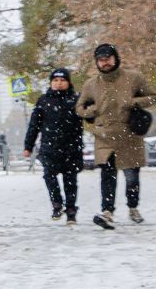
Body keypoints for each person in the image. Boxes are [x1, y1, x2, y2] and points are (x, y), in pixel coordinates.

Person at [76, 43, 153, 229]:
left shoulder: (134, 78)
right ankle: (107, 211)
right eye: (101, 60)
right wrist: (91, 110)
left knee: (132, 176)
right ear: (97, 62)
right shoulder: (91, 84)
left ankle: (133, 207)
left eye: (108, 58)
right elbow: (79, 108)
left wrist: (134, 102)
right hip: (105, 136)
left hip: (129, 135)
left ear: (115, 58)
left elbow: (152, 96)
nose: (105, 63)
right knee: (107, 175)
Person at [22, 68, 83, 224]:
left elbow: (88, 117)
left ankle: (70, 210)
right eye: (55, 80)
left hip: (71, 147)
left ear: (68, 82)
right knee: (49, 177)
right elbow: (34, 125)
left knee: (70, 181)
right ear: (51, 83)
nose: (59, 83)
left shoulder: (76, 100)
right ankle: (57, 204)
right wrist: (28, 146)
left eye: (62, 80)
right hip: (50, 147)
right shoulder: (44, 100)